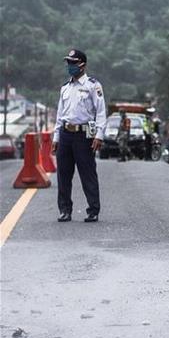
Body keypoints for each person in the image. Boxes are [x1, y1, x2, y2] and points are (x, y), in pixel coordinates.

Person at [51, 49, 107, 223]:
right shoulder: (65, 88)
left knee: (87, 173)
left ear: (83, 65)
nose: (70, 66)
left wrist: (99, 136)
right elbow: (60, 115)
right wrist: (56, 137)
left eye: (73, 63)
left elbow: (101, 112)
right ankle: (65, 210)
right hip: (65, 134)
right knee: (63, 175)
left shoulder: (93, 86)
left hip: (84, 135)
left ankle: (93, 210)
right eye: (68, 62)